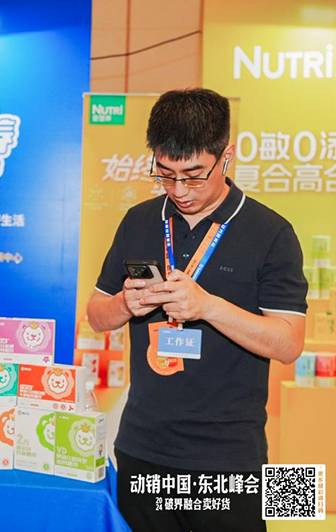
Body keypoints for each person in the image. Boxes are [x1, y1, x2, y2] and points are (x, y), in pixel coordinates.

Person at [86, 88, 306, 532]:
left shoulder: (271, 232)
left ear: (227, 156)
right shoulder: (139, 220)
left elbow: (288, 344)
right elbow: (95, 315)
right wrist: (125, 304)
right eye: (165, 175)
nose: (180, 190)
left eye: (193, 176)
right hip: (142, 447)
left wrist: (208, 307)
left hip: (231, 458)